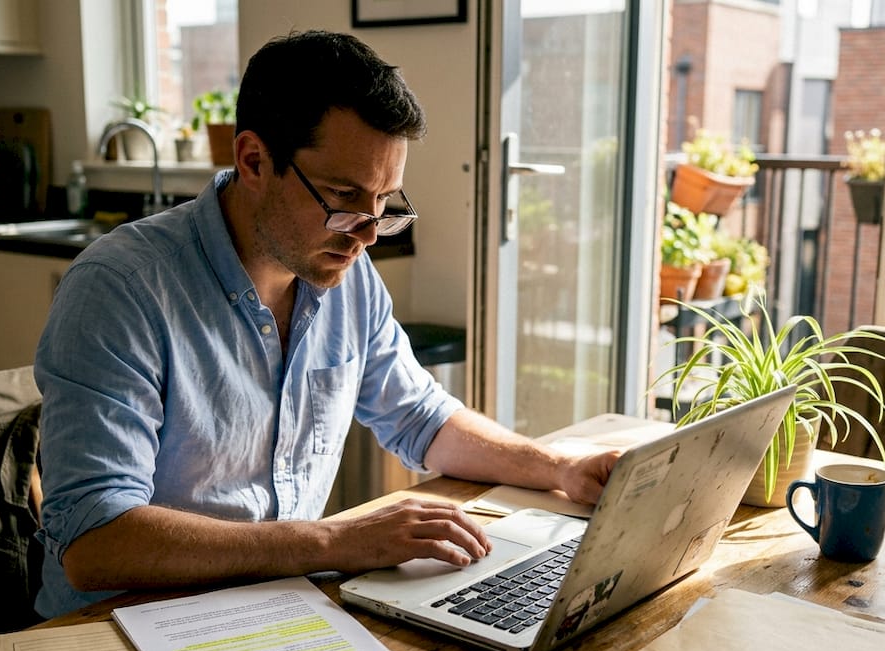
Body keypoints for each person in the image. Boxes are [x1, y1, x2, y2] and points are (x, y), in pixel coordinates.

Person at [33, 30, 619, 619]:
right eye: (343, 196)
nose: (366, 234)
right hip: (119, 628)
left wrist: (558, 468)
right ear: (254, 161)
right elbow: (94, 540)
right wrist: (333, 543)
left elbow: (420, 416)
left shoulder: (346, 274)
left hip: (275, 606)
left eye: (384, 202)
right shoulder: (120, 289)